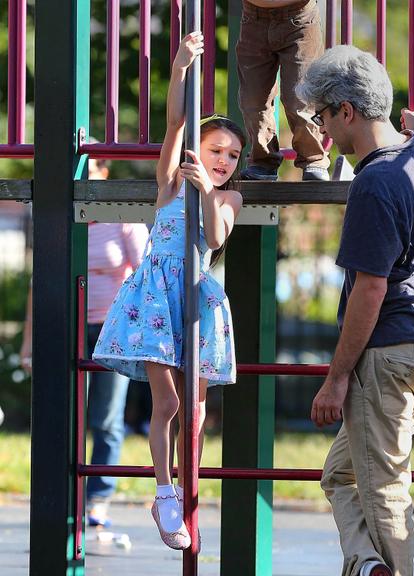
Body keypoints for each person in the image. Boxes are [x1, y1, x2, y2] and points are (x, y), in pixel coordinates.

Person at [93, 31, 246, 550]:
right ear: (195, 152)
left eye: (232, 154)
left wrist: (210, 187)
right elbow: (177, 123)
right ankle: (163, 493)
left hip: (197, 299)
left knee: (197, 408)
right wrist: (181, 68)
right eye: (215, 150)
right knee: (169, 402)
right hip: (157, 297)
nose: (223, 159)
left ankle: (189, 488)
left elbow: (218, 235)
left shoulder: (228, 196)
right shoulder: (171, 182)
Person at [296, 45, 414, 576]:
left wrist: (336, 377)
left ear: (347, 110)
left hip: (387, 352)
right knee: (342, 475)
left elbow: (369, 291)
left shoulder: (374, 182)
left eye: (323, 116)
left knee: (386, 489)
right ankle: (370, 567)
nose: (323, 132)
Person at [20, 158, 150, 528]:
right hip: (70, 326)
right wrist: (29, 342)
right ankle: (64, 496)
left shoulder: (121, 219)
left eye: (90, 171)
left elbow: (143, 275)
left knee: (106, 417)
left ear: (104, 175)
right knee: (63, 413)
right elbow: (38, 282)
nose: (83, 179)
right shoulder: (62, 218)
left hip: (113, 330)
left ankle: (98, 499)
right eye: (77, 171)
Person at [236, 0, 330, 181]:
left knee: (300, 97)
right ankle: (263, 160)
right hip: (253, 18)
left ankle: (313, 158)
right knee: (253, 99)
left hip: (299, 16)